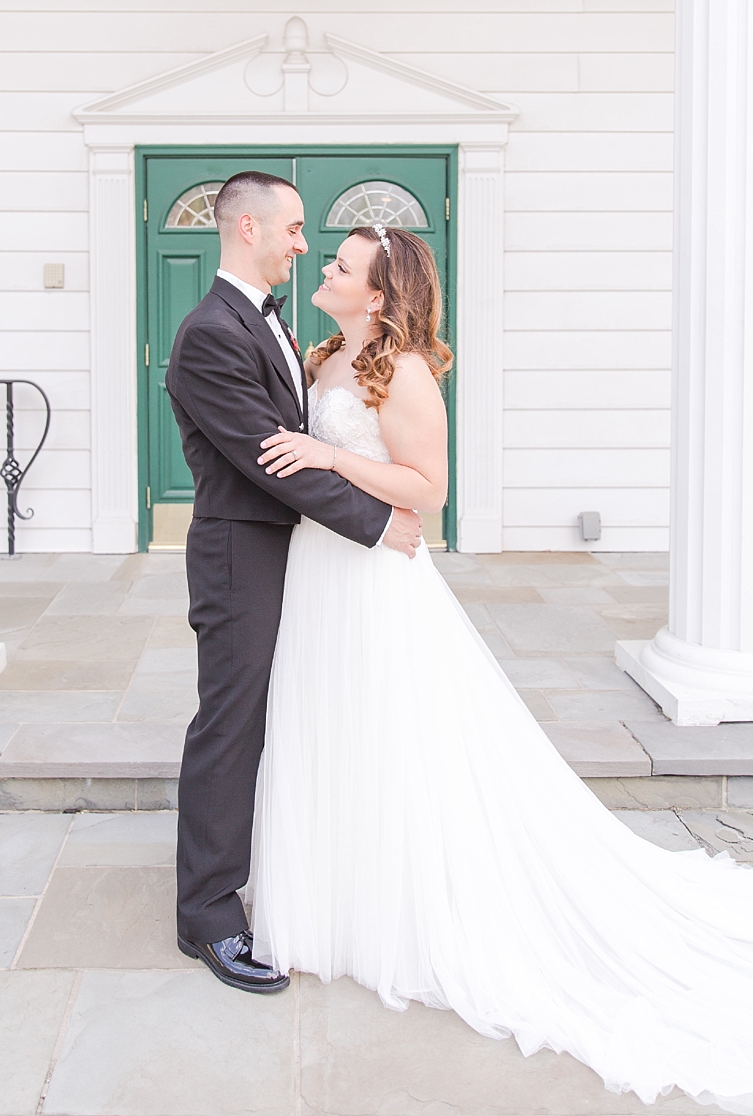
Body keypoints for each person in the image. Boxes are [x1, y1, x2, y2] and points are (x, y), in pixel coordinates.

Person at [243, 222, 753, 1115]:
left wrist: (329, 454)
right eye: (326, 259)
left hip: (373, 580)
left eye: (342, 265)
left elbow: (427, 490)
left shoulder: (399, 373)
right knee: (329, 731)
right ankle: (331, 903)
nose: (324, 268)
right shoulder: (324, 356)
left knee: (388, 738)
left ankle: (400, 909)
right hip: (319, 575)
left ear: (378, 292)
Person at [162, 170, 422, 994]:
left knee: (294, 718)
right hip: (243, 556)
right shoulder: (211, 332)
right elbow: (274, 460)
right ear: (248, 229)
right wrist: (378, 523)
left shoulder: (280, 328)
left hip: (296, 556)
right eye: (297, 228)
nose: (306, 245)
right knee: (231, 725)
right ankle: (206, 914)